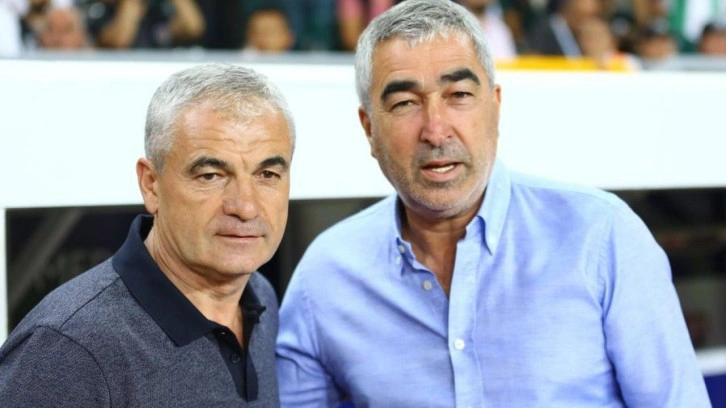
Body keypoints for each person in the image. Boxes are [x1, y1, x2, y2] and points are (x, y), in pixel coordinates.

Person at [276, 0, 711, 406]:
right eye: (405, 103)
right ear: (369, 129)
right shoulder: (326, 276)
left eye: (459, 95)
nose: (436, 130)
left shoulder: (602, 237)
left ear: (496, 106)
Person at [0, 63, 295, 407]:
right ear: (151, 184)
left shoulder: (259, 297)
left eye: (268, 174)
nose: (245, 207)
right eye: (211, 175)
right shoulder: (66, 350)